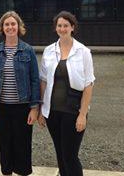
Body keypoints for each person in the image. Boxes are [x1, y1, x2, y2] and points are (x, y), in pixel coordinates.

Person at [0, 11, 40, 176]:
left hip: (22, 107)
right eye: (6, 24)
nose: (10, 27)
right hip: (1, 107)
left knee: (22, 145)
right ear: (2, 28)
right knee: (5, 144)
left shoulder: (27, 51)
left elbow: (35, 80)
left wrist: (34, 108)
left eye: (13, 24)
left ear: (19, 27)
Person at [38, 11, 95, 176]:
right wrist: (42, 110)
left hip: (73, 110)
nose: (62, 29)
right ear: (56, 28)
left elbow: (89, 84)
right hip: (52, 111)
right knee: (60, 154)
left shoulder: (83, 51)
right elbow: (43, 81)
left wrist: (83, 115)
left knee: (70, 155)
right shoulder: (49, 51)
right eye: (59, 25)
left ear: (72, 27)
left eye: (66, 26)